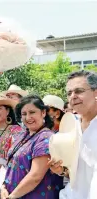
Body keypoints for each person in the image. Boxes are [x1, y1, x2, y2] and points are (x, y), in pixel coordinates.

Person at [0, 95, 63, 199]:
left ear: (43, 113)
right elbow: (9, 165)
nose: (28, 117)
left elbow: (35, 176)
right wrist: (3, 187)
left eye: (32, 112)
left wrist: (11, 197)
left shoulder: (46, 138)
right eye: (24, 114)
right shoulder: (22, 135)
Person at [49, 70, 97, 199]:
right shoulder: (70, 127)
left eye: (79, 91)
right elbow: (79, 172)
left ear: (95, 93)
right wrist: (62, 170)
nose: (73, 96)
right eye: (69, 93)